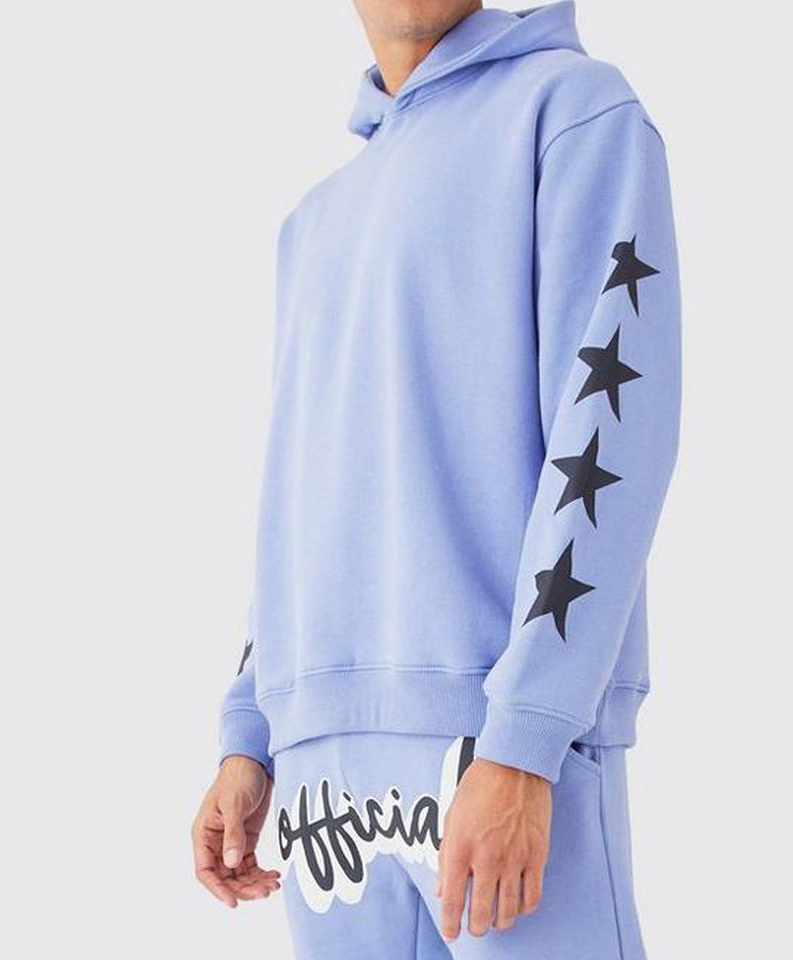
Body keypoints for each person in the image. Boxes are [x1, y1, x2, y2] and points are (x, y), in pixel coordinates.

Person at [191, 2, 680, 957]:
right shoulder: (313, 221)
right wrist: (250, 727)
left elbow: (610, 429)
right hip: (322, 773)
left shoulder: (574, 114)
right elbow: (301, 489)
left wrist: (526, 734)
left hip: (494, 745)